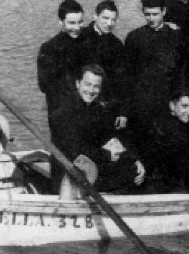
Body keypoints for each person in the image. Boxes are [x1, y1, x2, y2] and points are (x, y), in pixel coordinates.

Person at [50, 65, 145, 194]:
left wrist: (133, 159)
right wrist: (108, 155)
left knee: (134, 169)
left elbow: (111, 137)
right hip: (68, 176)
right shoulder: (63, 113)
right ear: (78, 84)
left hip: (89, 166)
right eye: (87, 84)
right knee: (127, 175)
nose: (91, 90)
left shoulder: (97, 110)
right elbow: (76, 151)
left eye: (96, 86)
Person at [124, 0, 189, 134]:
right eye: (147, 14)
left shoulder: (178, 36)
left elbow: (186, 71)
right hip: (143, 103)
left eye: (155, 14)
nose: (151, 19)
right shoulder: (134, 38)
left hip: (169, 102)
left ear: (164, 11)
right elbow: (128, 77)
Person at [140, 91, 189, 194]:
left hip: (179, 185)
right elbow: (186, 165)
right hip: (166, 189)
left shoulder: (186, 123)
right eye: (184, 106)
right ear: (172, 106)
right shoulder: (165, 127)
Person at [37, 0, 86, 128]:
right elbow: (45, 86)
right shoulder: (49, 49)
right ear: (61, 22)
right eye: (71, 23)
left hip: (88, 111)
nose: (77, 27)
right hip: (62, 115)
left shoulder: (89, 42)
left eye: (80, 22)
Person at [80, 0, 127, 125]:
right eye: (105, 18)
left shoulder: (117, 44)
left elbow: (121, 81)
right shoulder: (80, 38)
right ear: (95, 16)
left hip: (106, 106)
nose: (109, 23)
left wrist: (122, 112)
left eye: (113, 20)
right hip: (81, 103)